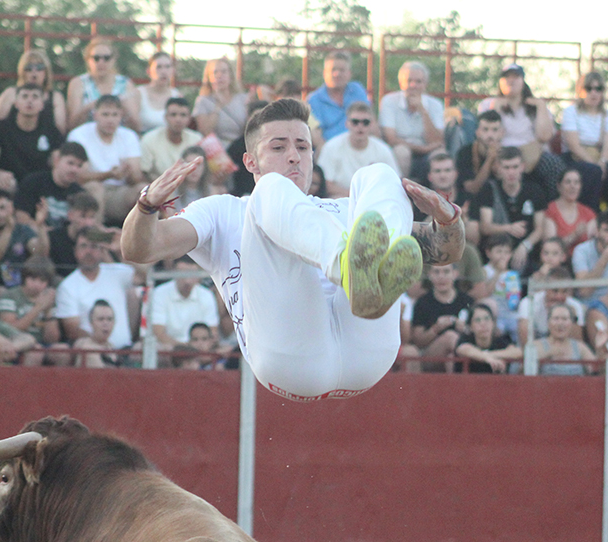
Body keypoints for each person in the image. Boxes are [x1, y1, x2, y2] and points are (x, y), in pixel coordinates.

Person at [121, 99, 463, 400]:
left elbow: (441, 251)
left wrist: (449, 223)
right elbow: (141, 249)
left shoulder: (345, 210)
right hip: (290, 359)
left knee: (379, 174)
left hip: (369, 354)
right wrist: (146, 207)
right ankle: (347, 266)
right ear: (250, 162)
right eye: (279, 147)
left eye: (303, 146)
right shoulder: (224, 210)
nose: (294, 157)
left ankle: (367, 273)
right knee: (271, 191)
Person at [478, 64, 563, 191]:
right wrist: (496, 109)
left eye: (515, 77)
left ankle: (550, 206)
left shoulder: (534, 106)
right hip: (501, 153)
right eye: (506, 77)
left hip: (531, 154)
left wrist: (540, 106)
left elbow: (545, 136)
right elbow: (487, 135)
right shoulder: (487, 104)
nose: (510, 81)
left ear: (523, 81)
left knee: (553, 164)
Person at [56, 228, 140, 351]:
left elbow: (145, 274)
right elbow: (72, 330)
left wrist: (123, 251)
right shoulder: (67, 286)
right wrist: (103, 346)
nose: (88, 251)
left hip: (125, 351)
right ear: (75, 251)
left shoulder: (116, 273)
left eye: (94, 246)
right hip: (93, 352)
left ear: (102, 251)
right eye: (83, 246)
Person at [66, 94, 145, 226]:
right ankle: (96, 237)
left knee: (143, 191)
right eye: (105, 114)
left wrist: (129, 172)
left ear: (121, 116)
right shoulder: (79, 135)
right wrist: (109, 174)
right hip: (87, 191)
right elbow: (79, 177)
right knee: (96, 188)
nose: (110, 120)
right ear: (95, 115)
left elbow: (136, 178)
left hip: (119, 192)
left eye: (115, 115)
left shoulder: (129, 136)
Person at [0, 84, 64, 194]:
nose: (29, 101)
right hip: (10, 182)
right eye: (24, 96)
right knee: (7, 183)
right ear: (16, 103)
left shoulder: (52, 131)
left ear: (42, 105)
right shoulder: (0, 128)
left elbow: (57, 165)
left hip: (39, 184)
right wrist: (0, 174)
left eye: (35, 97)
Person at [474, 147, 548, 265]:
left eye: (515, 167)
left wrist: (525, 246)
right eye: (506, 167)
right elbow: (485, 227)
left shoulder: (534, 190)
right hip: (497, 250)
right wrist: (509, 228)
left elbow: (540, 228)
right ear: (499, 168)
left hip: (527, 252)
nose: (511, 172)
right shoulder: (489, 189)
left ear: (522, 167)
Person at [561, 71, 608, 208]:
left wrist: (603, 163)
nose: (593, 93)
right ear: (580, 91)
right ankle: (590, 214)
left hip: (599, 157)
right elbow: (574, 145)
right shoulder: (570, 112)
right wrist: (596, 165)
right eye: (588, 88)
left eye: (598, 88)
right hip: (575, 157)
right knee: (592, 171)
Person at [0, 255, 68, 366]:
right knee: (35, 352)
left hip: (42, 344)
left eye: (42, 281)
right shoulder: (9, 296)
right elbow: (9, 329)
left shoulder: (48, 298)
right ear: (25, 277)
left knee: (62, 350)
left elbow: (52, 339)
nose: (37, 285)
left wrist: (48, 311)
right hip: (15, 344)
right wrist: (38, 308)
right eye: (33, 279)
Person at [315, 102, 399, 197]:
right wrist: (355, 196)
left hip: (373, 198)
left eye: (365, 122)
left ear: (372, 125)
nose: (360, 127)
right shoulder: (331, 147)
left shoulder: (383, 149)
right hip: (341, 199)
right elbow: (325, 184)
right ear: (347, 124)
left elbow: (394, 182)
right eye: (355, 122)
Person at [379, 61, 445, 181]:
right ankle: (401, 190)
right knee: (402, 152)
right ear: (401, 83)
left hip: (428, 149)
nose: (413, 85)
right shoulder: (389, 101)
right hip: (402, 147)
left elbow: (437, 140)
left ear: (425, 84)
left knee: (440, 155)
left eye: (418, 81)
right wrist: (422, 149)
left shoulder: (435, 105)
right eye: (409, 81)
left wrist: (422, 111)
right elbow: (391, 139)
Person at [149, 255, 221, 353]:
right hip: (170, 350)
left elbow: (212, 332)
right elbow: (158, 332)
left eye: (191, 275)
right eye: (183, 274)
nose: (187, 281)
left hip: (199, 350)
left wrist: (193, 349)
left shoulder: (206, 295)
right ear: (174, 272)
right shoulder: (160, 293)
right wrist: (185, 349)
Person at [66, 38, 141, 132]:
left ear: (113, 60)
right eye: (96, 58)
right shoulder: (78, 83)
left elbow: (137, 126)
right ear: (88, 60)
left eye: (106, 58)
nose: (101, 62)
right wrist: (90, 107)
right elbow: (72, 125)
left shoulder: (125, 84)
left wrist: (123, 108)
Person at [411, 263, 474, 370]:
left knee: (451, 357)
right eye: (436, 272)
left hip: (461, 356)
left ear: (455, 274)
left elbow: (477, 334)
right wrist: (436, 329)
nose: (441, 276)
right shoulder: (423, 303)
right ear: (430, 275)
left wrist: (464, 329)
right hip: (430, 356)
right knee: (450, 336)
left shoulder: (467, 301)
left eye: (446, 271)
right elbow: (418, 342)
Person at [0, 48, 67, 135]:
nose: (34, 73)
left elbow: (60, 131)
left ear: (46, 72)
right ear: (22, 71)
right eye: (28, 68)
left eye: (39, 68)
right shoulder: (10, 93)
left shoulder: (55, 97)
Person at [14, 141, 87, 230]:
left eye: (79, 166)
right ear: (57, 161)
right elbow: (21, 217)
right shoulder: (33, 182)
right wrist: (44, 231)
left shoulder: (80, 194)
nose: (74, 170)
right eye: (70, 163)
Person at [0, 189, 42, 288]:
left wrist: (41, 227)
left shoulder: (23, 230)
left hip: (25, 285)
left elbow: (38, 252)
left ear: (11, 208)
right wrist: (8, 229)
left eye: (2, 208)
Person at [308, 51, 371, 144]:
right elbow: (315, 134)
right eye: (333, 70)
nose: (337, 74)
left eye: (342, 70)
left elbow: (370, 119)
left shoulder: (357, 90)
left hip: (359, 145)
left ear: (349, 73)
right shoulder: (313, 100)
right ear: (324, 73)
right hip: (330, 150)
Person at [517, 265, 586, 345]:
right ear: (545, 288)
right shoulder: (529, 303)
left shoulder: (575, 306)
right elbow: (525, 344)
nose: (559, 296)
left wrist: (573, 318)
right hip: (536, 352)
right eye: (555, 291)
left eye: (564, 291)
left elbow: (578, 346)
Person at [192, 57, 250, 149]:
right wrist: (217, 106)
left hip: (240, 147)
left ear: (230, 75)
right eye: (215, 72)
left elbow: (250, 129)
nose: (219, 76)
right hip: (215, 150)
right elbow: (205, 132)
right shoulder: (203, 101)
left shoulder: (243, 99)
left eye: (223, 72)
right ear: (209, 77)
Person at [140, 98, 202, 181]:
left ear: (189, 118)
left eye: (183, 115)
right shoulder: (149, 139)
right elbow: (144, 172)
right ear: (165, 117)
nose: (178, 120)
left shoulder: (197, 139)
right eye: (173, 115)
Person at [532, 303, 598, 376]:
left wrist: (600, 348)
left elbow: (595, 371)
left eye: (564, 319)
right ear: (548, 322)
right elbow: (527, 371)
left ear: (571, 323)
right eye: (556, 319)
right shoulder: (536, 345)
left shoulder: (580, 347)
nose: (560, 323)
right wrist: (547, 354)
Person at [454, 302, 522, 373]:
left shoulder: (500, 340)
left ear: (493, 323)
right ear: (470, 326)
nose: (483, 324)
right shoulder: (466, 339)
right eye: (477, 320)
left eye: (486, 319)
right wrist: (487, 358)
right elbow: (464, 349)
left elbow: (517, 352)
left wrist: (489, 355)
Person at [544, 168, 597, 254]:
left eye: (576, 182)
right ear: (559, 186)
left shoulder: (588, 213)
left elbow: (593, 244)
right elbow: (551, 247)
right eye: (568, 182)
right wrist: (574, 235)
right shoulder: (551, 210)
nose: (573, 186)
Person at [456, 110, 504, 201]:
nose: (490, 135)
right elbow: (472, 189)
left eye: (495, 130)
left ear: (502, 133)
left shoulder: (508, 153)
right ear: (477, 132)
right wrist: (490, 159)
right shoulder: (465, 153)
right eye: (485, 129)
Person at [138, 52, 182, 133]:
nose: (164, 71)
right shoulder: (138, 94)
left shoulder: (177, 96)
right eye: (159, 67)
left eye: (167, 67)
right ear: (148, 71)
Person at [72, 299, 122, 367]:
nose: (105, 323)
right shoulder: (86, 347)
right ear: (91, 323)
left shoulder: (112, 347)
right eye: (101, 319)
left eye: (109, 319)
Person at [169, 146, 216, 214]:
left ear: (204, 167)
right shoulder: (171, 192)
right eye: (189, 164)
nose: (194, 169)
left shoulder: (212, 192)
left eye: (198, 165)